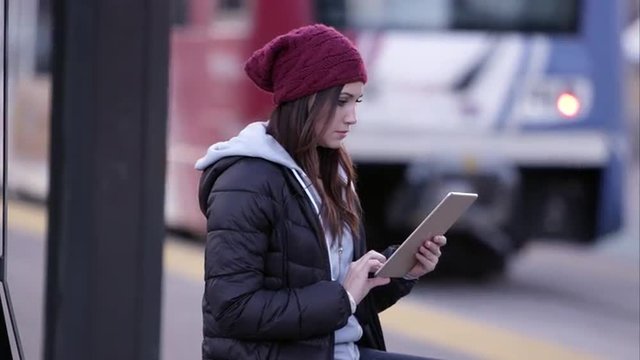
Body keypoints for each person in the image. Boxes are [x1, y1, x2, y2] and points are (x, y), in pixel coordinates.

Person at [195, 24, 447, 360]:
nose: (353, 116)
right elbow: (233, 309)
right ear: (306, 98)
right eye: (342, 101)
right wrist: (343, 296)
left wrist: (400, 272)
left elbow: (344, 303)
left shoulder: (334, 175)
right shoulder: (246, 182)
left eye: (357, 101)